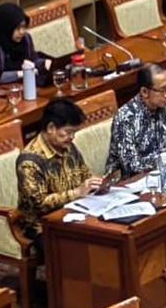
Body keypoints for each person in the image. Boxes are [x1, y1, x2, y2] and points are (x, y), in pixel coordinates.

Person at [17, 98, 109, 250]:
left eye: (74, 133)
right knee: (82, 246)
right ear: (51, 128)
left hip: (75, 212)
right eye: (68, 132)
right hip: (42, 226)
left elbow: (84, 173)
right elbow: (39, 204)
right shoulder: (29, 161)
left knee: (107, 231)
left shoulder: (68, 146)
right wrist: (76, 193)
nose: (72, 137)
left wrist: (94, 183)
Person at [105, 64, 166, 179]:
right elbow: (131, 166)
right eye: (162, 90)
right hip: (131, 182)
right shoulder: (125, 118)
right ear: (144, 92)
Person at [0, 3, 50, 80]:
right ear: (6, 28)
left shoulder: (26, 39)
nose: (22, 32)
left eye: (24, 27)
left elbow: (32, 61)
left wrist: (44, 63)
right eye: (17, 28)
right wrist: (19, 74)